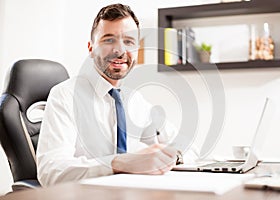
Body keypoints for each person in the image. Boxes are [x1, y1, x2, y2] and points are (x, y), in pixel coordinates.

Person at [36, 3, 180, 187]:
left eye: (129, 41)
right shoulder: (64, 95)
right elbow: (50, 170)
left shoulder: (135, 100)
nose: (119, 51)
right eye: (109, 40)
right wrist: (119, 163)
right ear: (90, 48)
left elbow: (180, 143)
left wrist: (172, 155)